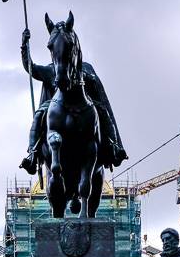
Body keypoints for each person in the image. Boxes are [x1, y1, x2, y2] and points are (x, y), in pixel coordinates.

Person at [18, 25, 127, 175]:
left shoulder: (85, 67)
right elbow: (31, 67)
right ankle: (32, 153)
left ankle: (114, 146)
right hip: (56, 105)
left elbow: (95, 85)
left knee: (102, 112)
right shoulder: (51, 69)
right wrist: (25, 46)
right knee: (39, 115)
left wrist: (87, 77)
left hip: (84, 104)